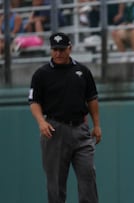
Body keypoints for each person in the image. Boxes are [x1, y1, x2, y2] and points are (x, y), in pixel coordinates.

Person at [28, 32, 102, 203]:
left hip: (80, 129)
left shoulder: (82, 71)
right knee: (55, 183)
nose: (58, 53)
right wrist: (41, 122)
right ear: (50, 50)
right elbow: (34, 101)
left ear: (70, 48)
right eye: (55, 49)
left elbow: (92, 98)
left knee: (88, 175)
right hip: (54, 130)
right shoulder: (42, 74)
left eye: (61, 49)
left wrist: (97, 125)